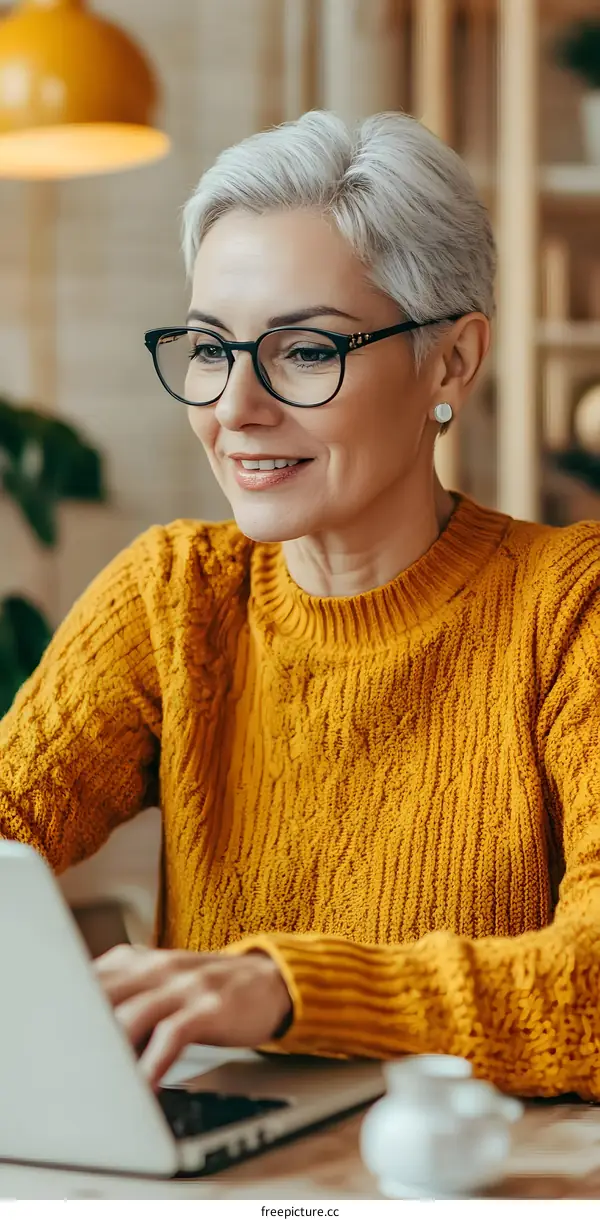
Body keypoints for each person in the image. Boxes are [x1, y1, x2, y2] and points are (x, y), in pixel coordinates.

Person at [1, 110, 599, 1100]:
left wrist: (287, 988)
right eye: (208, 348)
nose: (234, 407)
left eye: (305, 351)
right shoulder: (176, 599)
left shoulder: (570, 608)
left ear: (451, 360)